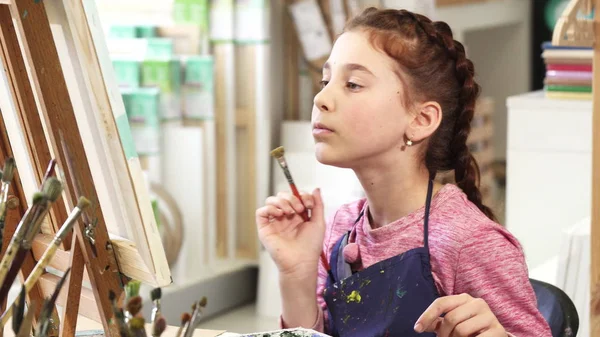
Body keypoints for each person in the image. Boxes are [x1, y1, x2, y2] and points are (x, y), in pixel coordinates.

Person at [256, 7, 552, 337]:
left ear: (421, 120)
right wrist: (296, 273)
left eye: (352, 84)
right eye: (325, 81)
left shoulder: (468, 242)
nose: (321, 98)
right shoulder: (342, 227)